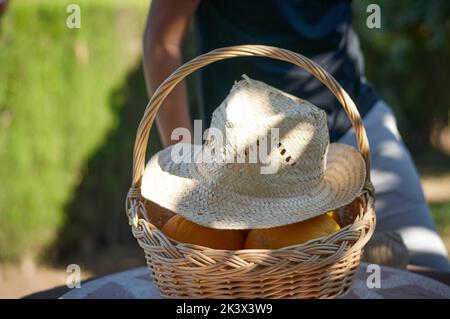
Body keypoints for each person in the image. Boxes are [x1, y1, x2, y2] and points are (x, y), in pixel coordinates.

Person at [142, 0, 450, 271]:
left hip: (354, 125)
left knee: (433, 273)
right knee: (264, 282)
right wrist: (191, 176)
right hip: (250, 161)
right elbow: (162, 42)